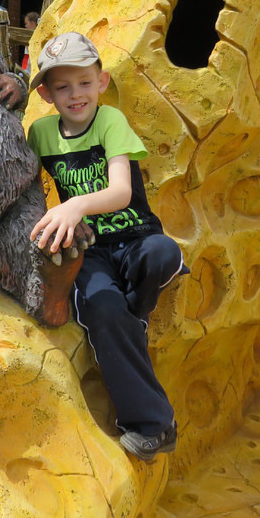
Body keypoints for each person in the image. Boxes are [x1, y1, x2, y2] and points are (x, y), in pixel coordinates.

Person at [26, 32, 187, 461]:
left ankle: (133, 315)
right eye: (62, 86)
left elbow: (120, 191)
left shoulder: (110, 121)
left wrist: (75, 205)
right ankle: (153, 424)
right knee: (101, 306)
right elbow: (27, 189)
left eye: (84, 82)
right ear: (45, 94)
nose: (75, 94)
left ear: (101, 81)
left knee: (164, 254)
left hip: (135, 239)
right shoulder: (40, 133)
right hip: (91, 250)